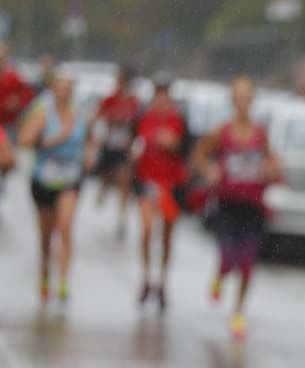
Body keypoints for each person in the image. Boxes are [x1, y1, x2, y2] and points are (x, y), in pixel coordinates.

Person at [193, 76, 280, 340]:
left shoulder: (260, 133)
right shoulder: (221, 132)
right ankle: (219, 276)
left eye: (247, 97)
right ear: (232, 101)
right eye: (238, 97)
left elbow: (271, 161)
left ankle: (239, 312)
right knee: (229, 257)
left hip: (252, 204)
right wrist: (209, 170)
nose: (243, 103)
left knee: (248, 263)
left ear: (252, 101)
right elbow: (199, 155)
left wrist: (272, 168)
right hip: (227, 204)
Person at [18, 71, 92, 303]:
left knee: (65, 226)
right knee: (46, 236)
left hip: (70, 178)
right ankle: (44, 273)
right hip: (44, 179)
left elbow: (90, 141)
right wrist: (56, 138)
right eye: (60, 87)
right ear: (53, 90)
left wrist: (89, 155)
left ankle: (63, 281)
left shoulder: (81, 114)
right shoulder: (42, 113)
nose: (64, 91)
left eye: (68, 87)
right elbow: (25, 140)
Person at [132, 72, 187, 311]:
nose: (161, 101)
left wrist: (174, 144)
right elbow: (133, 143)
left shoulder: (178, 120)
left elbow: (186, 148)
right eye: (158, 96)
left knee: (166, 235)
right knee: (146, 230)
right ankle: (146, 277)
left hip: (170, 184)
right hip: (147, 181)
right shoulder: (144, 118)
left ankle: (163, 281)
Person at [92, 64, 141, 239]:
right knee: (107, 175)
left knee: (124, 181)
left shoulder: (134, 102)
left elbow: (138, 125)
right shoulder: (109, 99)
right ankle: (103, 189)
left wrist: (134, 144)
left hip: (123, 149)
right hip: (109, 145)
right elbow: (97, 118)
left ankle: (122, 217)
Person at [0, 43, 34, 134]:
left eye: (2, 57)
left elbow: (29, 96)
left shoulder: (14, 77)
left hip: (9, 126)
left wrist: (19, 102)